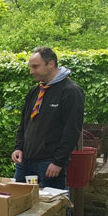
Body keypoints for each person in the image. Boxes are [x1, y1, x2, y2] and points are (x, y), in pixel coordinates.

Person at [12, 47, 85, 189]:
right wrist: (18, 148)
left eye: (35, 66)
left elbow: (72, 130)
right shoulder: (35, 91)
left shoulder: (71, 92)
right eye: (30, 67)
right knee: (20, 204)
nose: (31, 71)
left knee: (54, 207)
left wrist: (58, 162)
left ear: (51, 64)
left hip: (49, 164)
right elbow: (24, 124)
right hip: (25, 162)